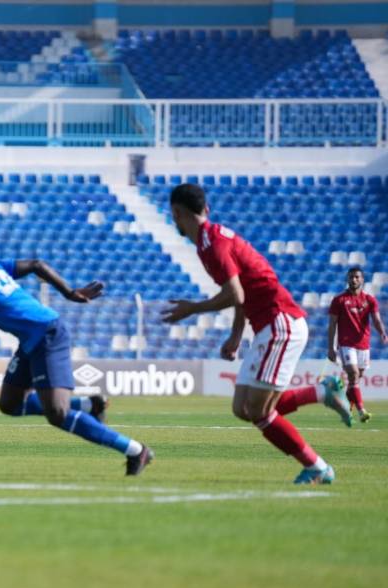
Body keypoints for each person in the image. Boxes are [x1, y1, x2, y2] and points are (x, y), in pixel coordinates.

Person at [0, 232, 153, 475]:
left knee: (58, 413)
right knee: (10, 403)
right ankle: (88, 404)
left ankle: (135, 450)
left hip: (46, 335)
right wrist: (69, 292)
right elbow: (36, 264)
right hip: (33, 338)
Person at [162, 184, 352, 485]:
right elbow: (239, 292)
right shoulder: (209, 240)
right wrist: (237, 334)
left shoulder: (212, 245)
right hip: (270, 325)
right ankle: (321, 392)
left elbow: (235, 293)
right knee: (242, 408)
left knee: (259, 411)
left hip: (280, 322)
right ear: (206, 211)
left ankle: (317, 467)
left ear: (176, 213)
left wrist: (192, 308)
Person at [327, 266, 387, 423]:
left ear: (362, 279)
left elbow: (376, 319)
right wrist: (331, 348)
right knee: (353, 375)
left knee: (355, 381)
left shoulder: (370, 300)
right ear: (347, 279)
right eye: (351, 277)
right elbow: (332, 324)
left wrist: (382, 332)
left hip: (364, 346)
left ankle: (345, 410)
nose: (354, 279)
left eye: (357, 277)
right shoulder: (339, 300)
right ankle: (362, 411)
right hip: (346, 344)